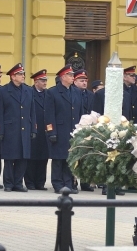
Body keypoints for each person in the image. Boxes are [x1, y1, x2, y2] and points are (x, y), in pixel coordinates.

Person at [0, 64, 36, 192]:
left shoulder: (29, 90)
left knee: (23, 158)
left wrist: (34, 129)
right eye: (20, 74)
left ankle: (18, 183)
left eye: (23, 74)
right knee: (9, 158)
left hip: (25, 128)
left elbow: (32, 112)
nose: (23, 76)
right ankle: (8, 183)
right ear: (13, 76)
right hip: (10, 129)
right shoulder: (3, 91)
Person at [45, 65, 82, 194]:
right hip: (59, 130)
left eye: (73, 75)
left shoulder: (76, 91)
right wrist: (51, 131)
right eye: (70, 75)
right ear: (63, 77)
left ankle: (68, 183)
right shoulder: (52, 92)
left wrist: (81, 129)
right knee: (58, 159)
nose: (73, 77)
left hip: (73, 130)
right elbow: (49, 114)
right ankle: (57, 184)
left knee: (70, 159)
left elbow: (80, 112)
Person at [25, 70, 49, 191]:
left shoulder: (48, 94)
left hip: (45, 129)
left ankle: (40, 182)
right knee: (32, 157)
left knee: (43, 157)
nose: (45, 83)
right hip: (33, 127)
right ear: (36, 81)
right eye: (42, 80)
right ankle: (29, 182)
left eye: (45, 80)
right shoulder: (29, 92)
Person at [72, 69, 94, 191]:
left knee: (86, 156)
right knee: (75, 156)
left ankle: (85, 182)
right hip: (76, 127)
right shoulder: (73, 93)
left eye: (86, 81)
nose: (84, 83)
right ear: (75, 81)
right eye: (81, 80)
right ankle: (73, 182)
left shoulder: (91, 95)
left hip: (88, 129)